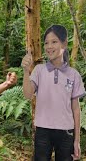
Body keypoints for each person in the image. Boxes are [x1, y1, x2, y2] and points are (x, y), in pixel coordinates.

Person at [21, 25, 86, 161]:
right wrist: (26, 71)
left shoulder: (73, 75)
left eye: (54, 42)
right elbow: (27, 94)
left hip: (66, 133)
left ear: (64, 44)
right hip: (43, 131)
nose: (49, 46)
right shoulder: (39, 70)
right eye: (46, 43)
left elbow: (76, 109)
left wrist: (76, 141)